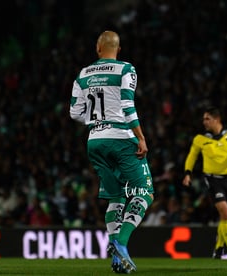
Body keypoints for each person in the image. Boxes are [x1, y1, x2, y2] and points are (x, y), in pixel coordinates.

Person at [69, 30, 154, 273]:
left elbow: (75, 113)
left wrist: (99, 120)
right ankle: (120, 243)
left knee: (116, 197)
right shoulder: (126, 69)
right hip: (121, 138)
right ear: (118, 48)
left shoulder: (83, 74)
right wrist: (140, 136)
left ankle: (117, 261)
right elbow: (128, 104)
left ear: (98, 49)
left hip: (95, 140)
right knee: (144, 192)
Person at [182, 106, 227, 259]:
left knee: (225, 216)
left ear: (216, 119)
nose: (204, 122)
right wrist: (187, 173)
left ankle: (218, 248)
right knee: (225, 212)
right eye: (204, 119)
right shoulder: (200, 139)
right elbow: (191, 157)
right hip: (212, 180)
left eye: (207, 119)